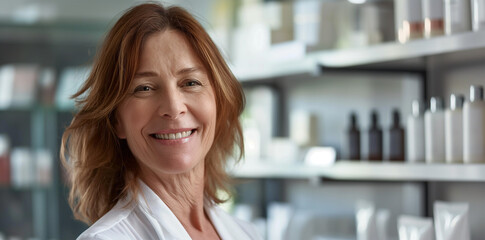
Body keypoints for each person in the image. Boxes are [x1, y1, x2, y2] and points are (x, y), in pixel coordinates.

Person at [60, 2, 261, 240]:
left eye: (190, 83)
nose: (174, 108)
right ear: (116, 120)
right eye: (144, 88)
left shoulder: (247, 234)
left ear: (218, 101)